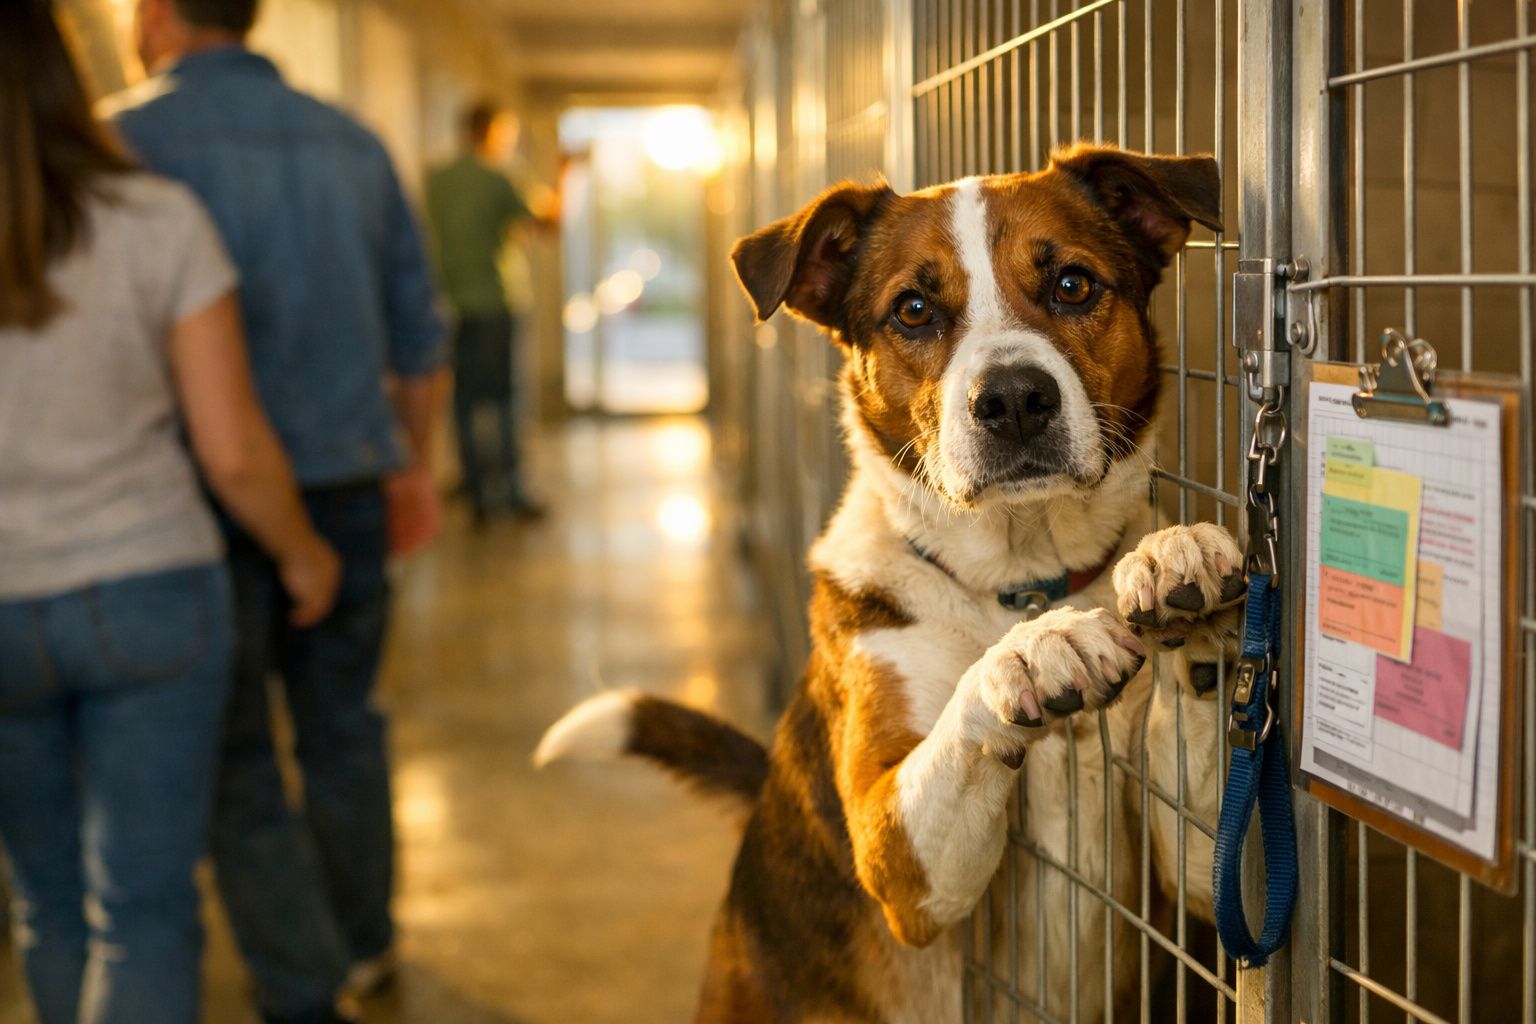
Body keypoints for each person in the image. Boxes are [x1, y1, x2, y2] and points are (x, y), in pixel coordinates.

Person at [105, 1, 447, 1021]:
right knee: (345, 725)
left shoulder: (118, 143)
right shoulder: (351, 143)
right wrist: (412, 467)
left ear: (154, 16)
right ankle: (363, 942)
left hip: (191, 498)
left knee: (236, 749)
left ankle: (297, 974)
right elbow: (418, 335)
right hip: (346, 482)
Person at [0, 4, 341, 1024]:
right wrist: (302, 553)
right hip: (147, 592)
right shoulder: (153, 219)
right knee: (141, 910)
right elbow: (230, 448)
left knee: (46, 902)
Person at [426, 101, 551, 521]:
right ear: (494, 131)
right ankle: (511, 491)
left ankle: (476, 491)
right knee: (504, 398)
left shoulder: (438, 180)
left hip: (452, 302)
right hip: (496, 300)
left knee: (464, 398)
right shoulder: (499, 177)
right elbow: (546, 223)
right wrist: (567, 172)